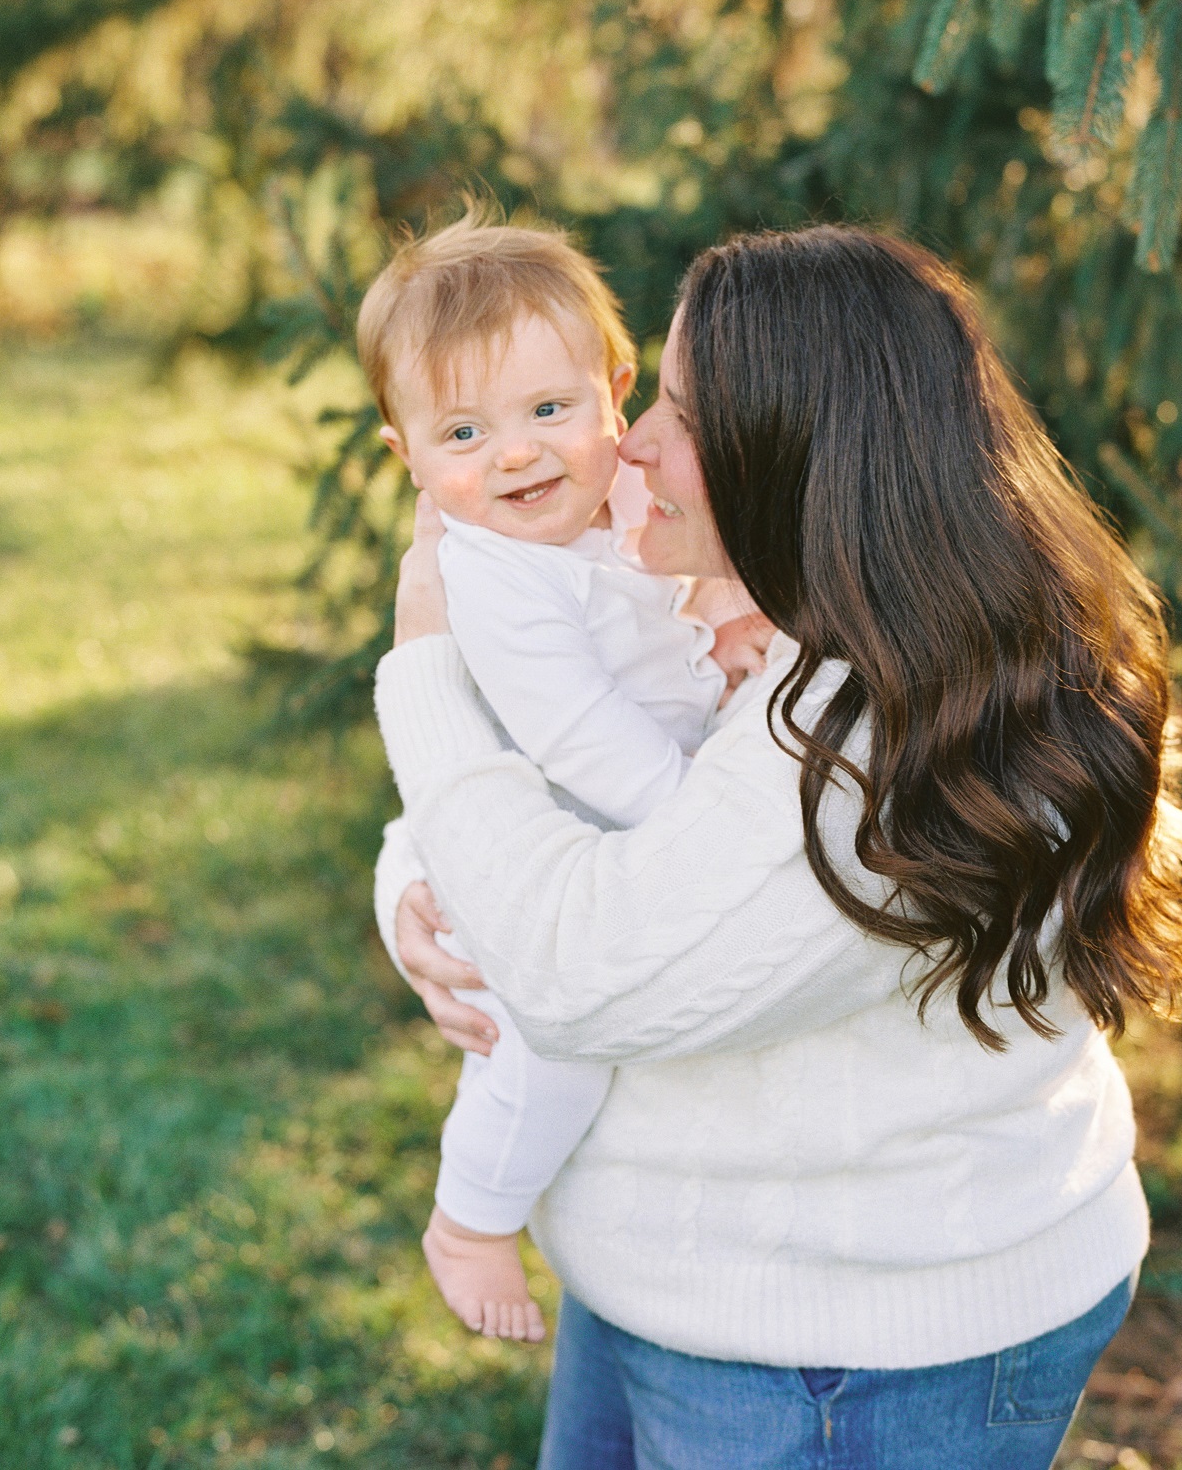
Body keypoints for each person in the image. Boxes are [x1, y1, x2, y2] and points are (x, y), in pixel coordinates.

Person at [373, 225, 1180, 1467]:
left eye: (683, 413)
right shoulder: (811, 618)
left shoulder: (873, 739)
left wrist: (422, 660)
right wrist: (416, 886)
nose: (632, 439)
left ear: (798, 451)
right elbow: (539, 811)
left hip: (841, 1352)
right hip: (674, 1271)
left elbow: (586, 963)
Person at [356, 215, 769, 1343]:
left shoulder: (621, 496)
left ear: (614, 396)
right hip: (538, 828)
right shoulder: (489, 576)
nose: (517, 455)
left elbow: (708, 578)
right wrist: (692, 821)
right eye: (463, 433)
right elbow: (580, 733)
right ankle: (472, 1218)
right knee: (546, 1049)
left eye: (548, 410)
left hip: (603, 819)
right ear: (408, 459)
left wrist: (730, 620)